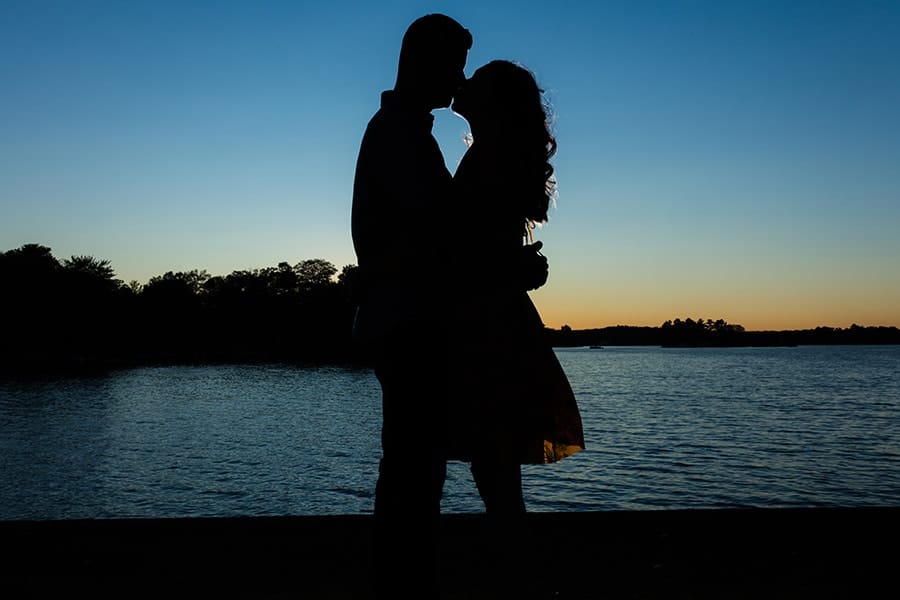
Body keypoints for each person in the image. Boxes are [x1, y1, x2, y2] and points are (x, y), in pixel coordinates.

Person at [447, 59, 586, 596]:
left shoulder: (494, 157)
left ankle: (511, 563)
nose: (463, 85)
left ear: (495, 102)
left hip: (486, 318)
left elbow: (471, 246)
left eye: (474, 81)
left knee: (492, 445)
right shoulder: (492, 154)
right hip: (490, 311)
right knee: (492, 448)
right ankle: (512, 555)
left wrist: (513, 268)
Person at [350, 13, 472, 600]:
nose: (460, 79)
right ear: (422, 62)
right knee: (413, 466)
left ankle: (404, 578)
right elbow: (437, 233)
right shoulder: (399, 133)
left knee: (414, 462)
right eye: (454, 64)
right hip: (409, 319)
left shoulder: (403, 129)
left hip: (402, 316)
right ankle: (404, 584)